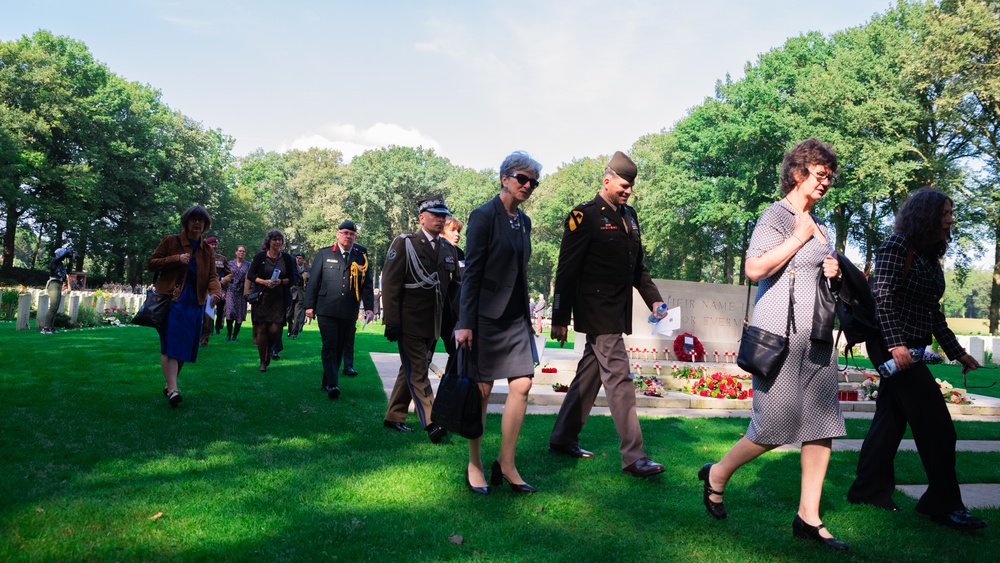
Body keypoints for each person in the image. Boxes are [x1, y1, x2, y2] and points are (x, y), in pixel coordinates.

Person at [697, 139, 848, 550]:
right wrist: (798, 240)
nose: (825, 183)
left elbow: (814, 274)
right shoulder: (777, 216)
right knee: (773, 427)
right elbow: (754, 268)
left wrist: (832, 271)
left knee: (822, 426)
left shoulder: (822, 225)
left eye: (830, 177)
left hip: (815, 339)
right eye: (820, 175)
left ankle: (809, 518)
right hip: (778, 337)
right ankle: (717, 475)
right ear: (798, 172)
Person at [847, 187, 987, 531]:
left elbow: (931, 312)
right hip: (895, 346)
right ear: (925, 215)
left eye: (950, 213)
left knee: (889, 423)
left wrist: (959, 353)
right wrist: (895, 344)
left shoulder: (927, 256)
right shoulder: (897, 246)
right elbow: (882, 295)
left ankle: (867, 490)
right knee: (938, 428)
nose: (950, 220)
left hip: (915, 345)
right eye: (945, 214)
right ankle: (942, 504)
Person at [548, 151, 667, 478]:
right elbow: (567, 270)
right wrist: (560, 317)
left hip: (618, 310)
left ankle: (562, 437)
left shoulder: (629, 216)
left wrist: (654, 301)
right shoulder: (583, 216)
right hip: (596, 309)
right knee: (619, 377)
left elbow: (637, 267)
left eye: (631, 187)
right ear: (607, 180)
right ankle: (634, 455)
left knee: (589, 375)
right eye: (624, 185)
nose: (628, 191)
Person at [456, 151, 542, 495]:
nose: (528, 186)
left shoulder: (524, 222)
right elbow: (472, 271)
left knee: (522, 385)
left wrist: (529, 318)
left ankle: (506, 463)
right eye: (522, 178)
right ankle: (474, 463)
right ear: (505, 177)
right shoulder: (482, 216)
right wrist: (465, 322)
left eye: (533, 182)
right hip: (485, 317)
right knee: (483, 389)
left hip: (516, 317)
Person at [382, 194, 462, 443]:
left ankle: (394, 415)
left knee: (410, 369)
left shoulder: (448, 250)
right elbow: (390, 283)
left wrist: (457, 326)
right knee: (418, 371)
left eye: (443, 216)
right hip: (410, 322)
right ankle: (433, 421)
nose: (440, 220)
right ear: (422, 218)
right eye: (435, 215)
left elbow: (454, 293)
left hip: (434, 324)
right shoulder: (405, 243)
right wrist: (392, 321)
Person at [147, 205, 224, 407]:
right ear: (186, 221)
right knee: (171, 343)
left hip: (195, 301)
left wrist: (215, 292)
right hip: (172, 299)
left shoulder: (207, 250)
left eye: (201, 221)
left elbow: (212, 276)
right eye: (193, 219)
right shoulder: (172, 241)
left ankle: (169, 385)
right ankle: (173, 389)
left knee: (184, 345)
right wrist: (176, 259)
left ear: (205, 226)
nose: (197, 223)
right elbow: (152, 262)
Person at [303, 221, 375, 399]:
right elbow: (314, 282)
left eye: (351, 233)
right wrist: (309, 306)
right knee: (330, 344)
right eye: (344, 232)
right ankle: (333, 385)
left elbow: (367, 284)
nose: (347, 236)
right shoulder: (325, 253)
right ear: (337, 234)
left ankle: (326, 382)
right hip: (326, 308)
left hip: (349, 309)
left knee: (340, 346)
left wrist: (369, 308)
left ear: (355, 237)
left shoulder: (361, 256)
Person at [247, 230, 296, 372]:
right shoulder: (260, 257)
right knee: (262, 327)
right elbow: (250, 274)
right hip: (262, 297)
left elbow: (293, 278)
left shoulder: (287, 258)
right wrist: (264, 281)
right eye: (275, 239)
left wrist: (280, 281)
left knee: (275, 330)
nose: (277, 242)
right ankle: (262, 361)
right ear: (269, 241)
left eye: (280, 240)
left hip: (279, 299)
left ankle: (269, 349)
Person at [440, 215, 465, 364]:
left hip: (454, 313)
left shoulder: (459, 253)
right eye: (453, 230)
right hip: (437, 312)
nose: (457, 234)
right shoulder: (434, 250)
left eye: (459, 231)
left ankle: (449, 387)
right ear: (442, 232)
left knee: (456, 354)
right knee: (423, 358)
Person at [200, 236, 230, 346]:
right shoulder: (199, 255)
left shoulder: (221, 259)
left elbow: (229, 274)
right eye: (211, 244)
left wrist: (221, 283)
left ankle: (204, 340)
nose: (214, 246)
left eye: (215, 244)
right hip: (199, 289)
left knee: (208, 315)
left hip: (212, 290)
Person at [41, 247, 75, 334]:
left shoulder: (60, 264)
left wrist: (71, 262)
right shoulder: (54, 261)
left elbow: (67, 273)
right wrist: (68, 252)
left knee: (55, 307)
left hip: (59, 284)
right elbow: (61, 257)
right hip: (53, 284)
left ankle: (51, 327)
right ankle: (45, 328)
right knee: (53, 307)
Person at [224, 245, 249, 341]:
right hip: (230, 290)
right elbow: (225, 277)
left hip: (242, 291)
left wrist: (248, 291)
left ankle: (235, 335)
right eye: (240, 251)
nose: (241, 253)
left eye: (243, 251)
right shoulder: (230, 264)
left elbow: (249, 278)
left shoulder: (248, 265)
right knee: (230, 312)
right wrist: (223, 290)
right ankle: (229, 333)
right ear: (236, 252)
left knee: (240, 313)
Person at [287, 252, 308, 340]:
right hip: (292, 292)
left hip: (301, 293)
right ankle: (290, 327)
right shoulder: (292, 267)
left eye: (300, 258)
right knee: (288, 315)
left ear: (303, 259)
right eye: (297, 258)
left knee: (297, 315)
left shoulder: (307, 269)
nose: (298, 260)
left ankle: (294, 333)